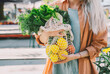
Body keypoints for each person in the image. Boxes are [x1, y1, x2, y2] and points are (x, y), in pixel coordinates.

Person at [35, 0, 108, 74]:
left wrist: (75, 56)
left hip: (82, 67)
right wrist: (49, 33)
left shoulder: (95, 11)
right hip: (56, 66)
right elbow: (40, 39)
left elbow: (99, 44)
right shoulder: (54, 6)